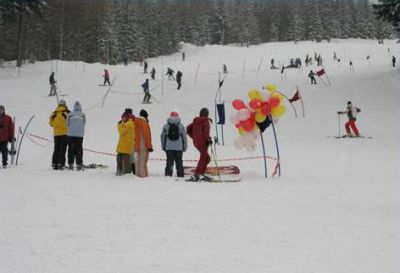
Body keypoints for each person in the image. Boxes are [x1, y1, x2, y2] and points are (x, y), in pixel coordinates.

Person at [186, 107, 212, 181]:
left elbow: (188, 129)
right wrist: (209, 139)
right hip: (203, 143)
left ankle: (202, 172)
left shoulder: (196, 121)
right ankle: (197, 173)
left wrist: (194, 137)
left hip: (197, 143)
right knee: (204, 157)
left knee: (207, 158)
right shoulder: (206, 121)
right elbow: (206, 132)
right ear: (207, 114)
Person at [161, 111, 187, 177]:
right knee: (179, 161)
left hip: (169, 147)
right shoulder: (181, 126)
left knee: (169, 161)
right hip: (179, 147)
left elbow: (162, 137)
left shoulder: (166, 126)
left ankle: (168, 174)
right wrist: (184, 147)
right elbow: (184, 137)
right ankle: (180, 175)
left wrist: (163, 146)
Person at [49, 99, 70, 170]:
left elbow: (51, 123)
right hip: (64, 133)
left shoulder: (54, 113)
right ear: (65, 105)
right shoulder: (67, 112)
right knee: (63, 149)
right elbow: (70, 121)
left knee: (56, 148)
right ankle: (61, 163)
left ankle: (54, 163)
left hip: (56, 134)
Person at [66, 101, 86, 171]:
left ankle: (70, 164)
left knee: (71, 149)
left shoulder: (69, 114)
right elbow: (84, 124)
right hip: (80, 135)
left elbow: (67, 124)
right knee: (79, 149)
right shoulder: (83, 115)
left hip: (70, 135)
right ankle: (79, 164)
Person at [116, 108, 135, 176]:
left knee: (126, 160)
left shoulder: (128, 124)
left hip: (126, 146)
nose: (122, 119)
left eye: (124, 118)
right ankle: (120, 171)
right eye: (122, 117)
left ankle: (126, 173)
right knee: (120, 158)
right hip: (123, 145)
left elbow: (121, 132)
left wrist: (119, 125)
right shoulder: (127, 123)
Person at [134, 109, 153, 177]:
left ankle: (137, 173)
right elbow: (146, 135)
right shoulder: (144, 123)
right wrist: (149, 146)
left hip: (136, 144)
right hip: (143, 145)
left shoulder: (135, 122)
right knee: (143, 161)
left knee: (138, 160)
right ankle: (143, 175)